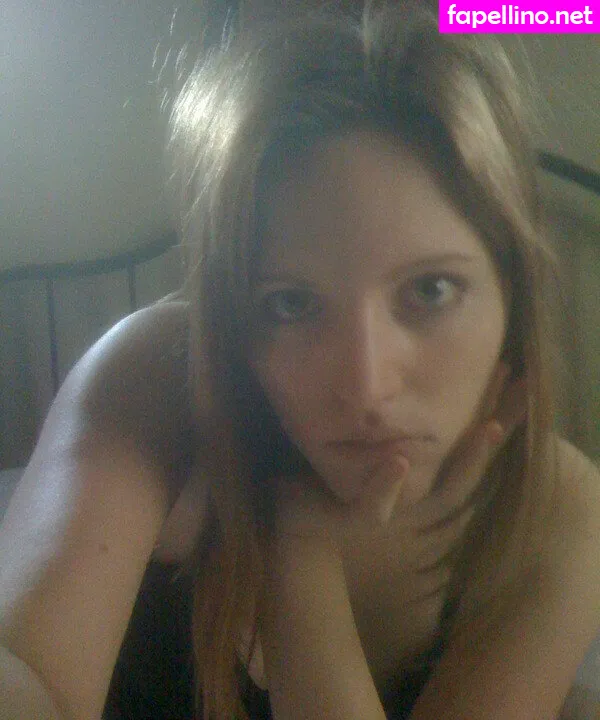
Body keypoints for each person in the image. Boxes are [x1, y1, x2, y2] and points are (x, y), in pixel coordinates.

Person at [1, 2, 599, 719]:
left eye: (430, 291)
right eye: (291, 305)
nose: (366, 387)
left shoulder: (559, 514)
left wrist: (297, 551)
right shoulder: (158, 375)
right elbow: (28, 678)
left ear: (512, 292)